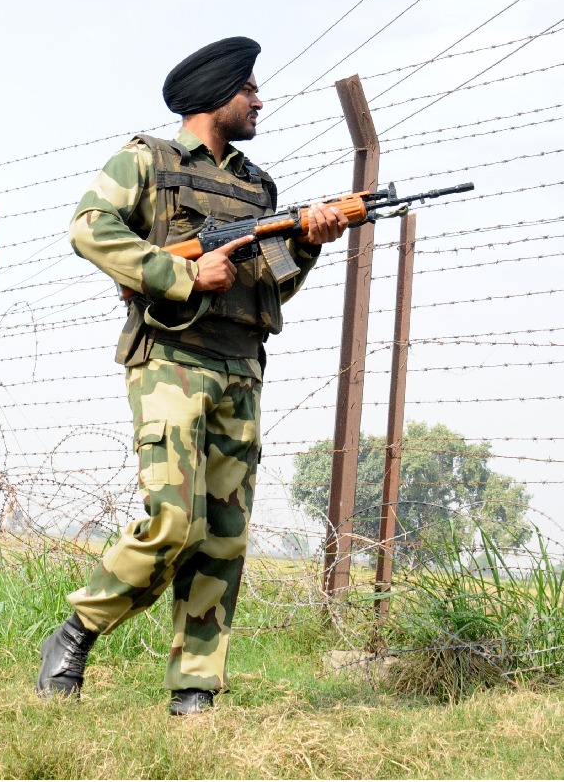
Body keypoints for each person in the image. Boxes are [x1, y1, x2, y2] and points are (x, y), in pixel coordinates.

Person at [36, 37, 350, 714]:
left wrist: (306, 244)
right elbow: (89, 228)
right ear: (217, 96)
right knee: (175, 522)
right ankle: (77, 631)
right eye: (250, 90)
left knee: (224, 537)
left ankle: (195, 688)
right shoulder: (147, 161)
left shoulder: (257, 185)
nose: (260, 100)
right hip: (171, 361)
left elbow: (269, 290)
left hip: (240, 365)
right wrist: (180, 273)